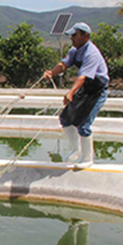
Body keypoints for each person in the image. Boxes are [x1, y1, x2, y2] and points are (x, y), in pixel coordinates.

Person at [44, 22, 109, 169]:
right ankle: (76, 150)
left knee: (84, 124)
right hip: (85, 89)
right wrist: (52, 72)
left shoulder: (91, 53)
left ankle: (88, 159)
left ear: (85, 36)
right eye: (71, 35)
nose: (72, 38)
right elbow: (64, 64)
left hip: (97, 91)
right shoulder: (75, 50)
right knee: (65, 119)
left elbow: (83, 77)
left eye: (74, 35)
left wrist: (71, 92)